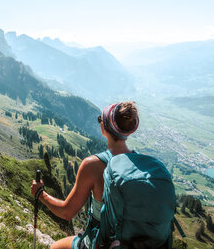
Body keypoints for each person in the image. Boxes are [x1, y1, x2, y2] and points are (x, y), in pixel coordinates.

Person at [31, 101, 144, 249]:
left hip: (100, 243)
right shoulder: (141, 166)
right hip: (133, 243)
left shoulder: (93, 165)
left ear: (104, 127)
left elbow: (66, 212)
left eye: (100, 120)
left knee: (55, 247)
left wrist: (40, 193)